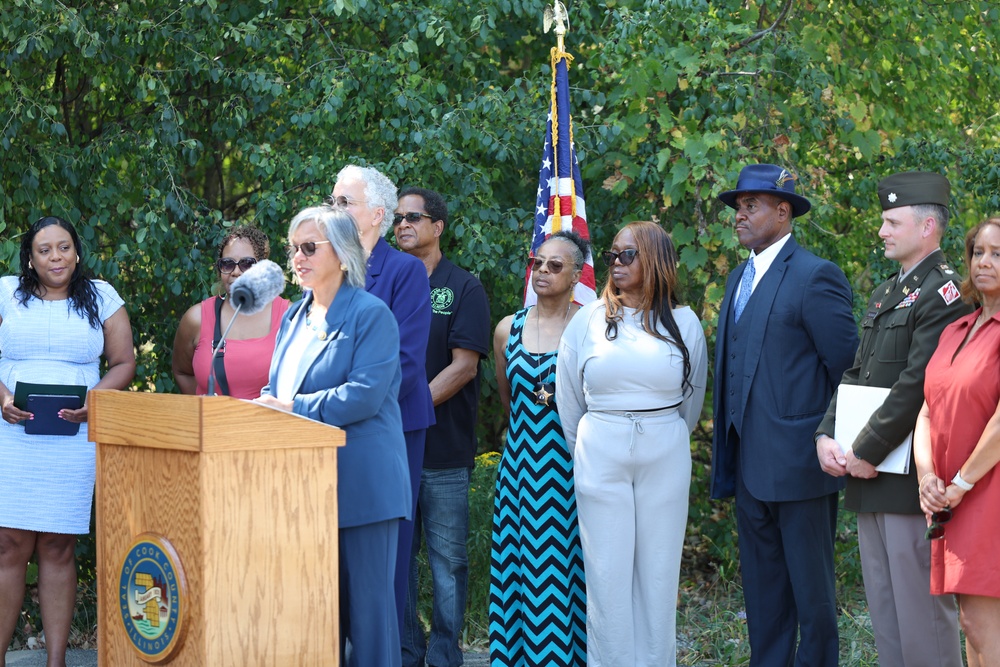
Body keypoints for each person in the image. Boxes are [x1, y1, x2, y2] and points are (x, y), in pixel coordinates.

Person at [815, 172, 965, 667]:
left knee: (923, 619)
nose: (881, 230)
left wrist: (864, 450)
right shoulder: (886, 293)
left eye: (890, 221)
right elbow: (856, 373)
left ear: (927, 227)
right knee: (886, 614)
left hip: (906, 479)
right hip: (868, 472)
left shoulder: (943, 294)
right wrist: (826, 436)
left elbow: (917, 384)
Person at [710, 164, 858, 666]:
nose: (740, 215)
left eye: (751, 204)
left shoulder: (816, 275)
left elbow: (848, 370)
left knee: (812, 597)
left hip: (801, 467)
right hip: (748, 466)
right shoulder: (737, 278)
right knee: (763, 596)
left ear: (783, 210)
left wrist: (831, 440)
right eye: (737, 206)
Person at [256, 205, 409, 667]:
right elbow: (278, 385)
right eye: (293, 249)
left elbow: (363, 395)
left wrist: (289, 409)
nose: (297, 258)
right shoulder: (293, 315)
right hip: (302, 489)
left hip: (362, 486)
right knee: (315, 619)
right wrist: (263, 405)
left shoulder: (371, 314)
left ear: (342, 255)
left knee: (369, 622)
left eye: (309, 247)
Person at [557, 222, 708, 666]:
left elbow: (692, 398)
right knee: (606, 578)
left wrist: (661, 434)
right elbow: (569, 401)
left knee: (659, 574)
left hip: (665, 448)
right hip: (599, 451)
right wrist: (596, 444)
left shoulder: (684, 323)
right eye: (612, 255)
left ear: (655, 260)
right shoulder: (585, 320)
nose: (616, 263)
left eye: (628, 255)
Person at [0, 216, 135, 667]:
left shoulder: (101, 296)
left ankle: (56, 662)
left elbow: (122, 363)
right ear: (30, 258)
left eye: (63, 248)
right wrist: (2, 398)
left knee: (58, 545)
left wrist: (94, 402)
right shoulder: (5, 293)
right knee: (8, 544)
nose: (55, 257)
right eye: (44, 250)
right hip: (12, 434)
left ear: (77, 252)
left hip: (74, 435)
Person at [331, 165, 435, 638]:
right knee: (330, 559)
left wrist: (345, 402)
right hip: (326, 430)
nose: (334, 210)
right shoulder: (325, 269)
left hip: (387, 431)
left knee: (383, 562)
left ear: (376, 214)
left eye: (344, 202)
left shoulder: (405, 271)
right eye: (332, 201)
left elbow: (407, 364)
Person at [394, 187, 491, 667]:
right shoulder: (385, 283)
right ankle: (409, 649)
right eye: (397, 218)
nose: (403, 225)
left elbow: (463, 367)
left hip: (443, 452)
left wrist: (404, 412)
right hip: (392, 450)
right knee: (399, 561)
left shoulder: (463, 286)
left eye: (414, 216)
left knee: (447, 563)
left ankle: (445, 651)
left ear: (438, 227)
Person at [490, 230, 590, 666]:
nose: (543, 271)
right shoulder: (506, 328)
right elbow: (507, 397)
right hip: (519, 469)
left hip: (570, 467)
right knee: (518, 567)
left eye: (555, 265)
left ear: (575, 276)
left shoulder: (591, 327)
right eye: (538, 262)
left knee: (564, 569)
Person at [915, 217, 1000, 666]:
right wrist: (927, 477)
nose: (984, 261)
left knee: (984, 623)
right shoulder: (955, 329)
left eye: (998, 253)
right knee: (971, 620)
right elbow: (926, 409)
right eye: (978, 252)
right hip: (950, 495)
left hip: (987, 491)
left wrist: (960, 484)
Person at [171, 224, 290, 399]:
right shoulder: (197, 318)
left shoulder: (289, 315)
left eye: (246, 264)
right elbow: (182, 372)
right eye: (227, 264)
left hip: (268, 425)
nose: (235, 272)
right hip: (214, 425)